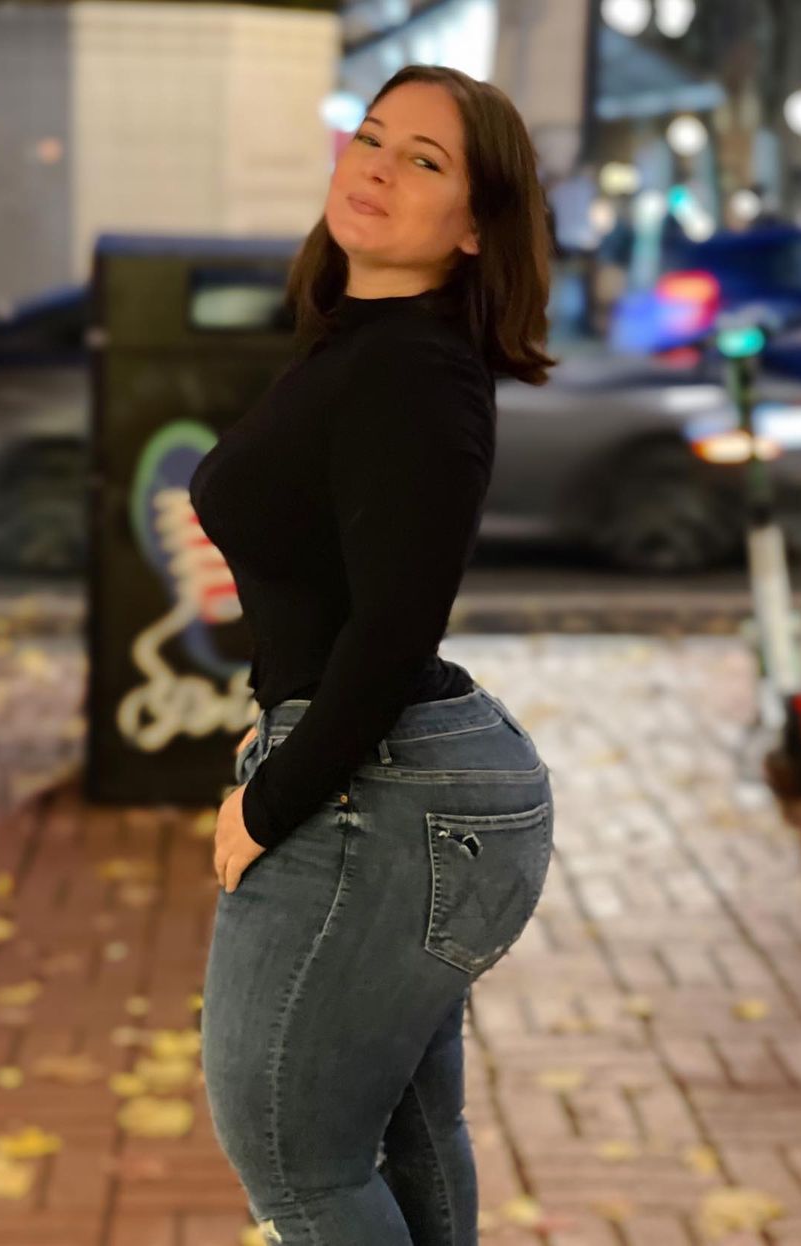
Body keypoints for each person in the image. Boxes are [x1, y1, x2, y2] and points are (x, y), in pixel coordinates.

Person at [191, 63, 556, 1246]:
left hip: (377, 795)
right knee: (402, 1136)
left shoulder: (413, 371)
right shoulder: (370, 343)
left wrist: (270, 799)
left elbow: (397, 629)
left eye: (426, 161)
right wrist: (278, 719)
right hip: (403, 782)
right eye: (373, 136)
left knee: (297, 1164)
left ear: (474, 227)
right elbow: (345, 588)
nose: (380, 167)